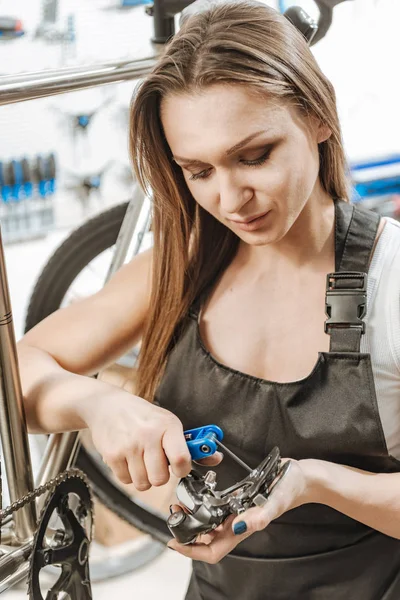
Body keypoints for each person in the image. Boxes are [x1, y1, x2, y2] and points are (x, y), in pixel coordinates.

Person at [17, 1, 400, 598]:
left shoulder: (391, 282)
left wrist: (315, 483)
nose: (230, 198)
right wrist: (97, 405)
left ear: (319, 117)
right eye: (198, 171)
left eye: (255, 156)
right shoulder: (186, 267)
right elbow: (16, 373)